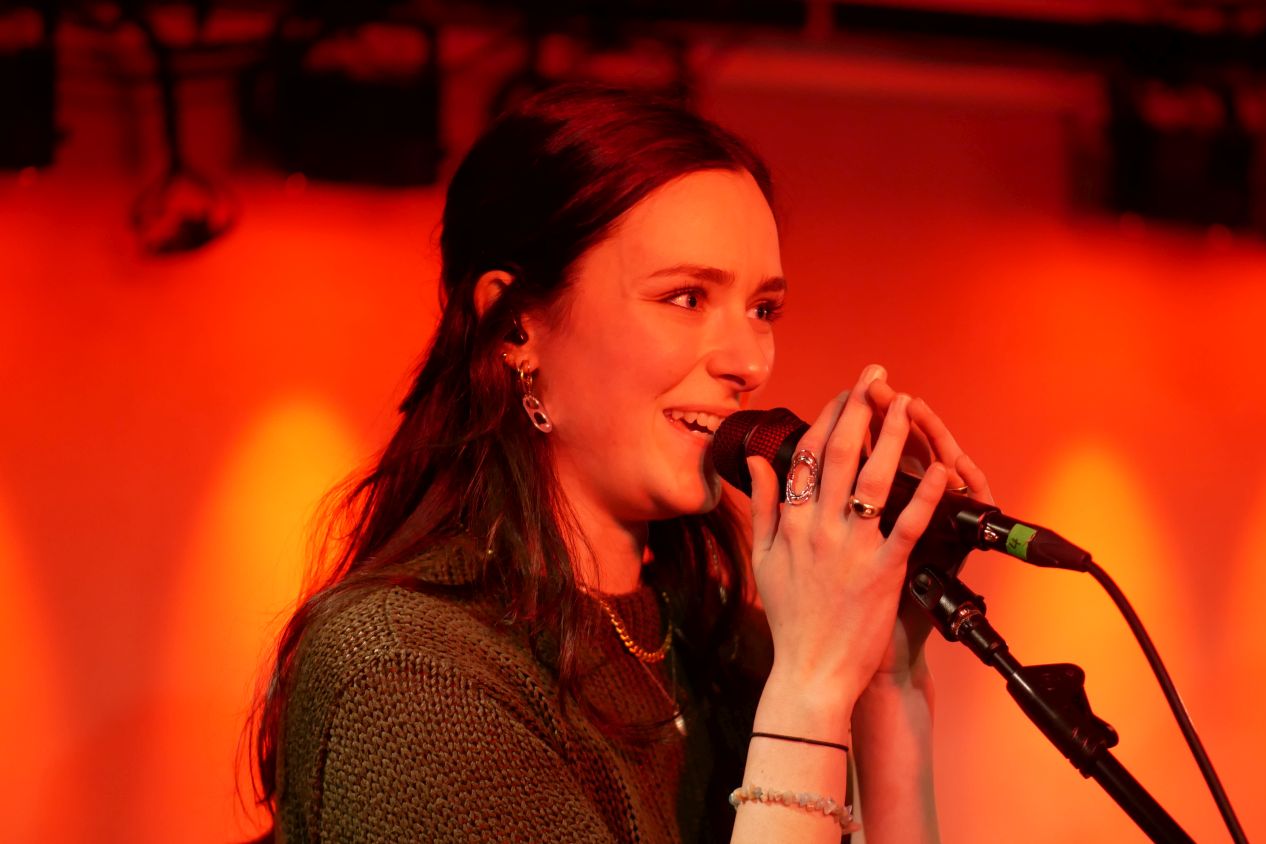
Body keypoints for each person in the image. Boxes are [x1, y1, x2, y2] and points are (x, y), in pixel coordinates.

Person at [247, 82, 994, 843]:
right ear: (515, 326)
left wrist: (884, 679)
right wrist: (810, 690)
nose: (749, 362)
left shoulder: (733, 654)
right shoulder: (407, 668)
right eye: (686, 297)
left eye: (763, 309)